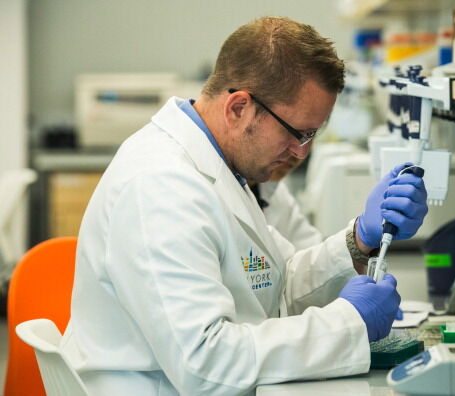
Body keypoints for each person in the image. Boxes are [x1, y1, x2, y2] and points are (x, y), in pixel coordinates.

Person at [61, 17, 428, 395]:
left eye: (312, 134)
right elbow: (205, 365)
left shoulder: (221, 168)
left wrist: (357, 240)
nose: (301, 152)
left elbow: (274, 284)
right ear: (238, 107)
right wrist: (348, 323)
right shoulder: (159, 187)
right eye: (297, 133)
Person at [249, 143, 323, 250]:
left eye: (308, 138)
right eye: (290, 132)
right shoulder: (220, 194)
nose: (299, 154)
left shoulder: (279, 193)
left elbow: (311, 249)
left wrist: (353, 242)